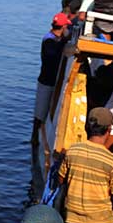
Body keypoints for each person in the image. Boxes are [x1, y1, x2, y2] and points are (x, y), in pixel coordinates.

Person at [33, 13, 72, 141]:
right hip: (46, 81)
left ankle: (37, 136)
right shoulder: (49, 40)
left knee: (43, 110)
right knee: (40, 112)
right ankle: (34, 138)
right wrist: (64, 43)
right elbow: (52, 54)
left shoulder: (54, 39)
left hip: (52, 79)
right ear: (63, 26)